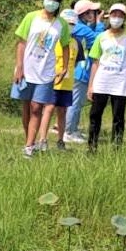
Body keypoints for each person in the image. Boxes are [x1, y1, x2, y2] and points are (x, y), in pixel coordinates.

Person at [12, 0, 66, 158]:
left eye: (55, 0)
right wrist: (19, 67)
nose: (51, 2)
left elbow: (65, 45)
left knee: (37, 107)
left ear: (59, 3)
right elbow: (21, 42)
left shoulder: (61, 24)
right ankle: (30, 139)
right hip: (27, 69)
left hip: (46, 71)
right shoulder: (31, 17)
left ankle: (29, 146)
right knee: (26, 106)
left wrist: (64, 67)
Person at [87, 2, 126, 150]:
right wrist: (91, 86)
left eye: (120, 15)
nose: (116, 18)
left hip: (120, 82)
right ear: (108, 17)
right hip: (102, 81)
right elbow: (95, 62)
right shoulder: (101, 37)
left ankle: (116, 147)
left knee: (118, 117)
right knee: (95, 115)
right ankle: (92, 146)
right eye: (114, 15)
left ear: (124, 18)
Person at [64, 0, 102, 144]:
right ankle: (68, 132)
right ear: (84, 14)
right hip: (80, 70)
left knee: (77, 102)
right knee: (75, 102)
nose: (94, 14)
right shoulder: (82, 29)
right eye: (92, 11)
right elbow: (100, 39)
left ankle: (72, 129)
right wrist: (98, 24)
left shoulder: (80, 27)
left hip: (79, 69)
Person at [51, 9, 79, 148]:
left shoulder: (75, 43)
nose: (70, 26)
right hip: (52, 82)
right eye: (67, 23)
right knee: (47, 110)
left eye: (72, 23)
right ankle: (40, 139)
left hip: (67, 84)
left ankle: (60, 140)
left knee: (62, 112)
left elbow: (76, 62)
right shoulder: (55, 39)